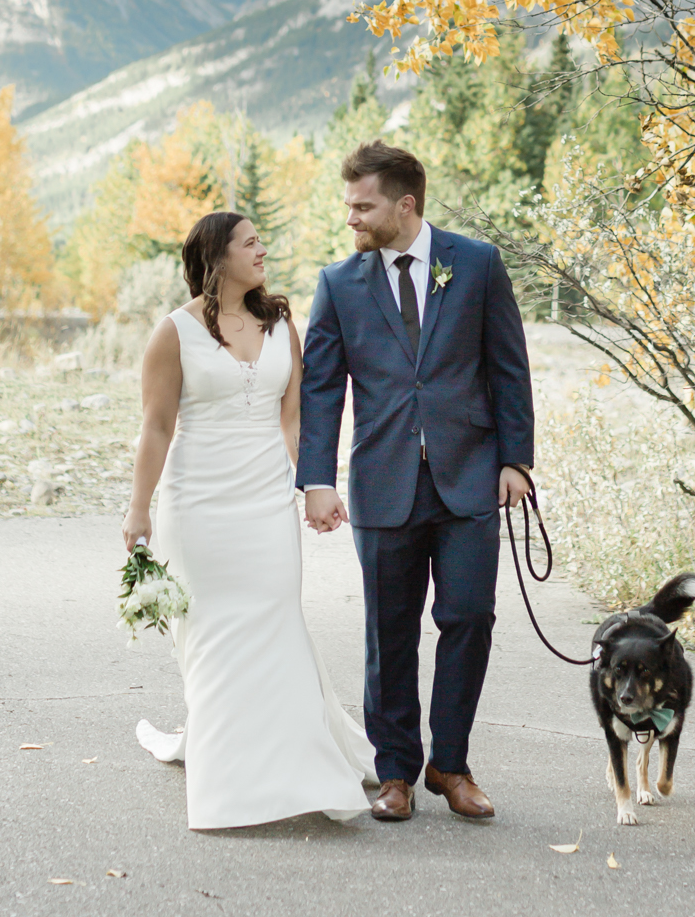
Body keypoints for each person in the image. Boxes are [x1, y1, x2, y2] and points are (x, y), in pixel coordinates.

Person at [298, 140, 535, 823]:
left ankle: (450, 764)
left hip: (469, 480)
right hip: (382, 480)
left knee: (469, 617)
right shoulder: (339, 284)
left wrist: (516, 460)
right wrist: (316, 477)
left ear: (405, 205)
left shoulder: (478, 264)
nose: (352, 218)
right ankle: (395, 769)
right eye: (348, 206)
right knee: (390, 630)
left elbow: (509, 367)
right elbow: (321, 390)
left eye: (362, 206)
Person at [123, 210, 374, 829]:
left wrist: (315, 485)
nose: (263, 250)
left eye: (263, 240)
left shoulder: (281, 323)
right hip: (198, 503)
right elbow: (156, 427)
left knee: (275, 623)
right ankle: (228, 780)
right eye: (250, 242)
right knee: (212, 637)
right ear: (216, 256)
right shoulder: (172, 334)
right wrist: (138, 509)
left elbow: (294, 420)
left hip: (265, 502)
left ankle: (301, 769)